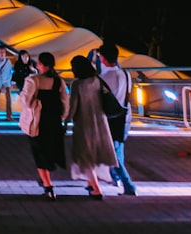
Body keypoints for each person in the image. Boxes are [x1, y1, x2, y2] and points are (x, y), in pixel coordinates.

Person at [18, 51, 69, 200]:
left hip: (38, 122)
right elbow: (65, 101)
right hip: (54, 121)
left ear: (40, 64)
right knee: (48, 151)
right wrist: (63, 117)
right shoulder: (59, 81)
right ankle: (46, 180)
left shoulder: (33, 80)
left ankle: (48, 186)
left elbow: (25, 101)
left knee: (40, 153)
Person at [67, 55, 118, 198]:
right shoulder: (97, 81)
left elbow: (73, 107)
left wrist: (65, 120)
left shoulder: (77, 84)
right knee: (95, 153)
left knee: (84, 155)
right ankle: (90, 183)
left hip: (84, 123)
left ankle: (96, 189)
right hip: (100, 121)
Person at [97, 43, 137, 195]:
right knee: (118, 150)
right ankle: (115, 177)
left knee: (113, 154)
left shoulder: (104, 78)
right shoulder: (125, 74)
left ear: (103, 59)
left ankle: (128, 184)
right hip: (125, 117)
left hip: (111, 119)